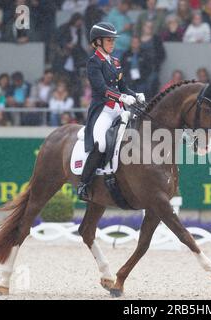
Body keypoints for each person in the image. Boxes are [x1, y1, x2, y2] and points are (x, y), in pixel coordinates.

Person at [77, 22, 145, 200]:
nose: (112, 43)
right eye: (109, 40)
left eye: (113, 40)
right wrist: (121, 97)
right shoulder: (94, 62)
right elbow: (100, 88)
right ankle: (84, 183)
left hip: (120, 110)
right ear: (97, 42)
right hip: (104, 110)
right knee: (101, 144)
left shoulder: (115, 62)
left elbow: (123, 87)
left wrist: (135, 95)